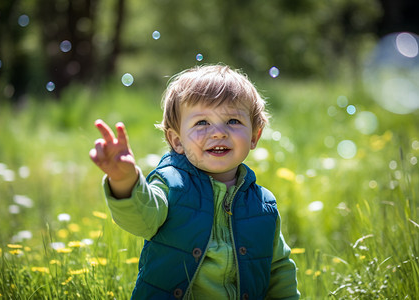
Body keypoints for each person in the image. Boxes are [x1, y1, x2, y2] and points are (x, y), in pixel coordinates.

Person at [89, 64, 300, 299]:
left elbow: (279, 269)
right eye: (202, 123)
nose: (218, 132)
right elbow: (141, 220)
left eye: (232, 121)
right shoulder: (171, 185)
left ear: (254, 135)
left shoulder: (263, 205)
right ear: (177, 141)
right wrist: (125, 181)